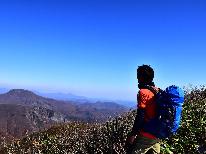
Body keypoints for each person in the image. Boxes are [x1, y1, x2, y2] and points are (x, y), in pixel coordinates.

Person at [126, 64, 160, 154]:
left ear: (139, 77)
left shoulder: (143, 92)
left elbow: (140, 115)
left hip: (147, 133)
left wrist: (133, 134)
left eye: (138, 76)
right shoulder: (158, 90)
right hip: (158, 133)